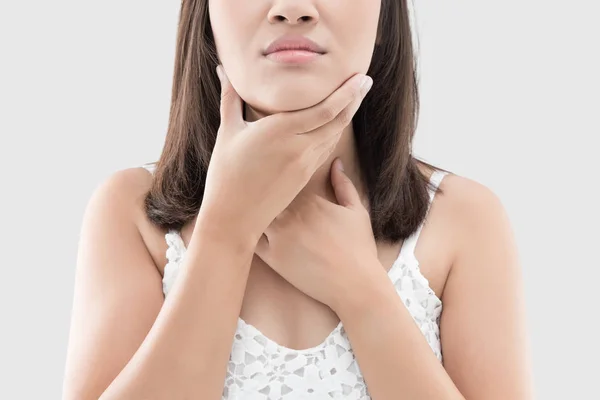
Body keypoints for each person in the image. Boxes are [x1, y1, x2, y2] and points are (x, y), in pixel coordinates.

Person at [62, 1, 533, 399]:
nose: (292, 9)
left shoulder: (463, 220)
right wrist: (225, 232)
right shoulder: (130, 214)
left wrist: (361, 292)